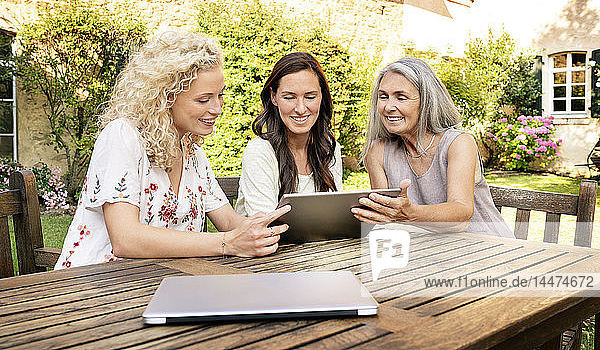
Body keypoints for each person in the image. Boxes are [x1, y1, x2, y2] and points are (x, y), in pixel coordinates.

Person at [55, 31, 290, 269]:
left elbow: (229, 221)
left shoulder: (192, 153)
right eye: (204, 99)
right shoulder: (122, 136)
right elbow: (125, 240)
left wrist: (280, 228)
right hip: (95, 285)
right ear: (166, 96)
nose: (217, 108)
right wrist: (226, 243)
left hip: (158, 283)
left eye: (220, 96)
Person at [351, 57, 513, 237]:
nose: (388, 106)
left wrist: (409, 214)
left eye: (401, 97)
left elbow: (460, 217)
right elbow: (385, 218)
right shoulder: (377, 151)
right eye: (383, 97)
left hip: (487, 247)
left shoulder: (458, 143)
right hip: (427, 252)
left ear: (427, 101)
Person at [235, 52, 343, 217]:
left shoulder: (329, 148)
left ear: (321, 97)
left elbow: (334, 215)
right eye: (289, 97)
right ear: (274, 97)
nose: (300, 109)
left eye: (310, 97)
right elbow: (266, 225)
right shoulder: (260, 151)